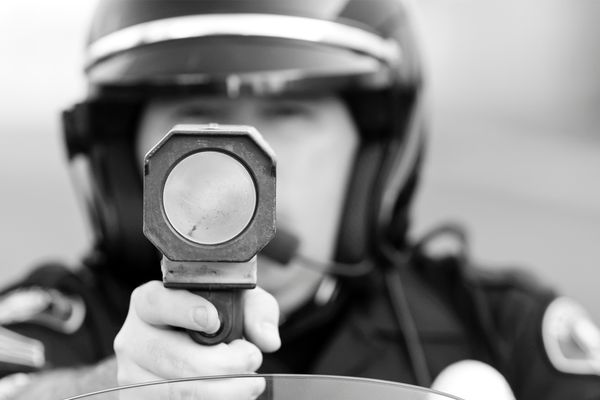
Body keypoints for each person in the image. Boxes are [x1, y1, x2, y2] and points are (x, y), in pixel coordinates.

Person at [1, 0, 599, 399]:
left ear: (372, 154)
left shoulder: (504, 330)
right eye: (197, 115)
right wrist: (108, 387)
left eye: (288, 111)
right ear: (123, 160)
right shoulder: (49, 327)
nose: (235, 177)